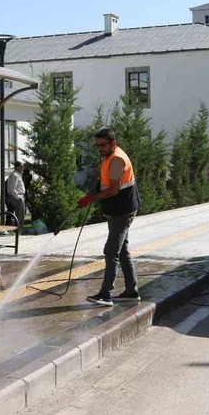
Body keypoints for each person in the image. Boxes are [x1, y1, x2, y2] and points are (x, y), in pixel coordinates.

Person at [78, 127, 141, 306]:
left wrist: (92, 198)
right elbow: (104, 183)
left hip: (123, 211)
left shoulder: (116, 160)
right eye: (98, 145)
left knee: (111, 250)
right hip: (116, 210)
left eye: (103, 145)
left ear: (113, 143)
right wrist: (90, 195)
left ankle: (106, 294)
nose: (100, 149)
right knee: (122, 250)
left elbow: (113, 190)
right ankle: (131, 291)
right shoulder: (109, 158)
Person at [5, 161, 26, 228]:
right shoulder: (15, 175)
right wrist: (18, 197)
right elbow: (12, 189)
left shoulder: (17, 175)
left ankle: (17, 229)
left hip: (16, 196)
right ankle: (18, 229)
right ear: (17, 167)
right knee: (20, 215)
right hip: (16, 197)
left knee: (18, 214)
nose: (23, 169)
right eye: (22, 167)